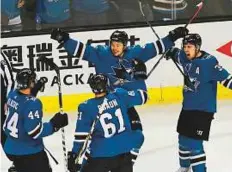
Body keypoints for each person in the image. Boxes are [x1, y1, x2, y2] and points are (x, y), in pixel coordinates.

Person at [51, 27, 188, 164]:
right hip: (107, 105)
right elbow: (83, 51)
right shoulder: (102, 54)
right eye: (112, 44)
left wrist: (172, 37)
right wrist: (65, 40)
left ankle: (127, 165)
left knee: (137, 138)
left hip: (125, 105)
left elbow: (154, 48)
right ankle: (86, 163)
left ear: (125, 45)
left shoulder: (135, 53)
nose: (114, 48)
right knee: (99, 141)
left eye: (118, 45)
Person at [164, 34, 232, 172]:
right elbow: (174, 52)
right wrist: (169, 50)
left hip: (203, 110)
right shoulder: (183, 56)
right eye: (184, 46)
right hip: (187, 107)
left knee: (194, 144)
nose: (186, 49)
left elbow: (227, 80)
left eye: (189, 47)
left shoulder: (209, 62)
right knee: (182, 139)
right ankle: (184, 167)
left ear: (197, 47)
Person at [67, 74, 148, 172]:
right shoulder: (120, 95)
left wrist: (74, 155)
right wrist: (134, 84)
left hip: (100, 155)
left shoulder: (86, 107)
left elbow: (81, 137)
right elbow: (144, 96)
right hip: (124, 153)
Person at [3, 68, 69, 172]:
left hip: (11, 147)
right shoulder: (34, 103)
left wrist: (36, 88)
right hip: (29, 153)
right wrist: (54, 124)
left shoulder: (12, 95)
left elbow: (23, 102)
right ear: (30, 83)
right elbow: (35, 132)